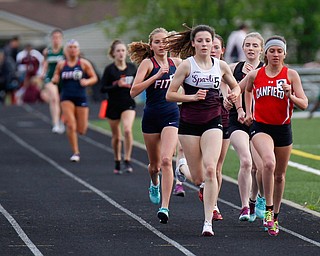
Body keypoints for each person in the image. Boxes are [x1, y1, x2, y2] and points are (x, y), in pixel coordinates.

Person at [166, 24, 240, 236]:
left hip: (213, 121)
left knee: (211, 169)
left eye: (208, 41)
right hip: (189, 124)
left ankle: (207, 221)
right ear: (193, 43)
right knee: (198, 178)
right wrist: (191, 97)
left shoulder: (221, 66)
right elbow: (170, 95)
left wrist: (233, 94)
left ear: (212, 42)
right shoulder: (187, 66)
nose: (204, 44)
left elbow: (235, 86)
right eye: (200, 41)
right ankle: (181, 168)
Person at [243, 35, 308, 236]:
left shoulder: (291, 75)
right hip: (261, 127)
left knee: (279, 176)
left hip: (283, 128)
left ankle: (276, 215)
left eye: (279, 51)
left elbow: (304, 103)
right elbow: (246, 89)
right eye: (272, 51)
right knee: (268, 164)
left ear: (284, 54)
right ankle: (268, 211)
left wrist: (290, 95)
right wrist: (247, 111)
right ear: (266, 53)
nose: (276, 54)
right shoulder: (256, 75)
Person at [128, 28, 182, 224]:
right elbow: (133, 91)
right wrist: (157, 75)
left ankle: (165, 207)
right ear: (151, 45)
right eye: (157, 42)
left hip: (171, 115)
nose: (161, 45)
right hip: (151, 117)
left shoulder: (177, 63)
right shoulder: (147, 64)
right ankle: (154, 183)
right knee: (154, 166)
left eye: (164, 41)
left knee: (167, 160)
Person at [227, 32, 265, 222]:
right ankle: (243, 207)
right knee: (246, 161)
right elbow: (232, 93)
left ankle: (254, 199)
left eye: (254, 45)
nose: (250, 48)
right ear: (243, 48)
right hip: (237, 120)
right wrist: (240, 110)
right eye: (247, 45)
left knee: (259, 167)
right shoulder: (234, 68)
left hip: (260, 121)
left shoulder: (267, 70)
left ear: (261, 49)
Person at [51, 39, 98, 162]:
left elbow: (94, 77)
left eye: (75, 47)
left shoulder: (84, 63)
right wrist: (55, 79)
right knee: (71, 125)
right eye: (70, 47)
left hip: (81, 97)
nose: (72, 49)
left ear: (78, 50)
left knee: (82, 130)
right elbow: (55, 75)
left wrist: (87, 81)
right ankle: (75, 152)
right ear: (66, 50)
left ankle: (76, 124)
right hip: (66, 97)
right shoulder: (61, 64)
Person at [100, 39, 137, 174]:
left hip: (128, 103)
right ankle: (117, 160)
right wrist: (116, 84)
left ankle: (127, 160)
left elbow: (138, 84)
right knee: (116, 136)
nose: (121, 53)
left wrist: (133, 86)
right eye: (118, 51)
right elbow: (102, 88)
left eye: (123, 50)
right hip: (113, 104)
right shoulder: (109, 70)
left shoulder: (132, 68)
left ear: (126, 53)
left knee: (127, 130)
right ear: (113, 53)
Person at [41, 29, 65, 134]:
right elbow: (45, 64)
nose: (56, 40)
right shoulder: (47, 51)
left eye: (58, 37)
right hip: (50, 79)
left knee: (62, 101)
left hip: (62, 79)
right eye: (54, 37)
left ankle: (60, 120)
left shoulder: (65, 51)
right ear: (51, 39)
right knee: (54, 99)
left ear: (61, 39)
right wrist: (43, 73)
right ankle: (55, 124)